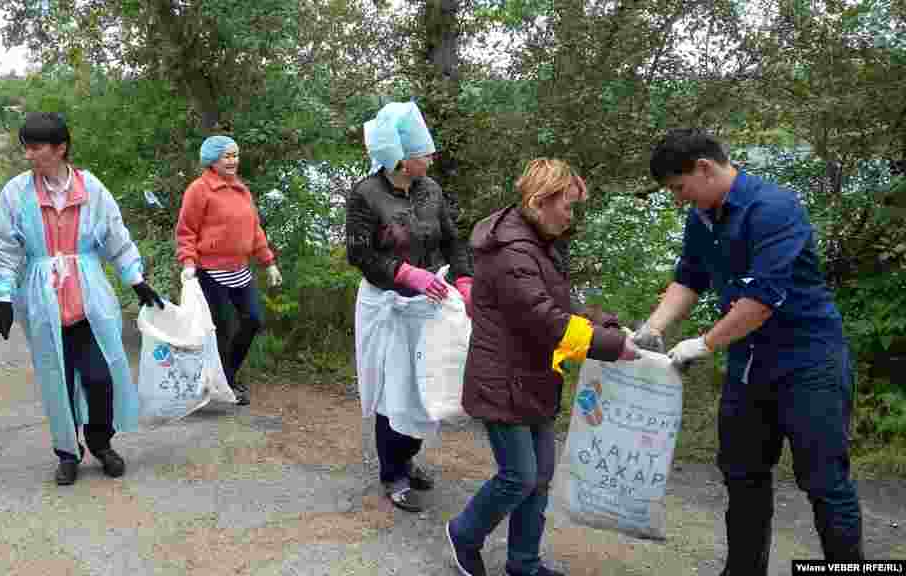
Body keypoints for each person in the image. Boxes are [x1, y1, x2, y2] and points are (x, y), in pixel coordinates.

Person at [632, 128, 863, 573]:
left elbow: (761, 302)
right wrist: (653, 329)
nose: (680, 198)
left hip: (808, 363)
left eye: (680, 188)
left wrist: (703, 343)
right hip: (749, 368)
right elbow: (689, 278)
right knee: (743, 477)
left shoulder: (774, 209)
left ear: (705, 168)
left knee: (824, 483)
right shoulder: (702, 216)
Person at [445, 158, 640, 576]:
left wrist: (609, 326)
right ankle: (463, 533)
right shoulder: (513, 252)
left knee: (541, 475)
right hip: (501, 380)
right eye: (567, 206)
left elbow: (559, 302)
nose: (571, 217)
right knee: (519, 475)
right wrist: (613, 347)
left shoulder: (538, 243)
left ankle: (524, 563)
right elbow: (546, 320)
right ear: (539, 201)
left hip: (532, 377)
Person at [0, 112, 164, 486]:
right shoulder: (16, 192)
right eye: (26, 148)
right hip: (41, 299)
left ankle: (100, 441)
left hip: (88, 297)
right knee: (57, 380)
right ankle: (68, 452)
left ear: (60, 148)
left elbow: (115, 235)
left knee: (102, 377)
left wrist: (136, 278)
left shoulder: (91, 188)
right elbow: (2, 246)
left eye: (36, 147)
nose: (29, 155)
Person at [346, 101, 474, 512]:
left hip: (429, 302)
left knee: (426, 383)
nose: (432, 157)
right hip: (387, 305)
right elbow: (360, 255)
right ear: (401, 161)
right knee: (393, 391)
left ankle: (408, 455)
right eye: (424, 152)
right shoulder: (365, 195)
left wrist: (466, 278)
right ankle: (393, 472)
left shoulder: (431, 190)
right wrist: (405, 274)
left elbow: (452, 238)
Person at [175, 135, 283, 406]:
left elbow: (254, 229)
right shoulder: (199, 190)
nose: (233, 160)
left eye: (236, 155)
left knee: (253, 320)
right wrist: (188, 264)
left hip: (239, 270)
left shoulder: (241, 190)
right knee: (223, 329)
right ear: (213, 160)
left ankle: (225, 376)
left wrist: (268, 262)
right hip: (210, 272)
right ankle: (220, 384)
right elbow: (186, 231)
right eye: (227, 156)